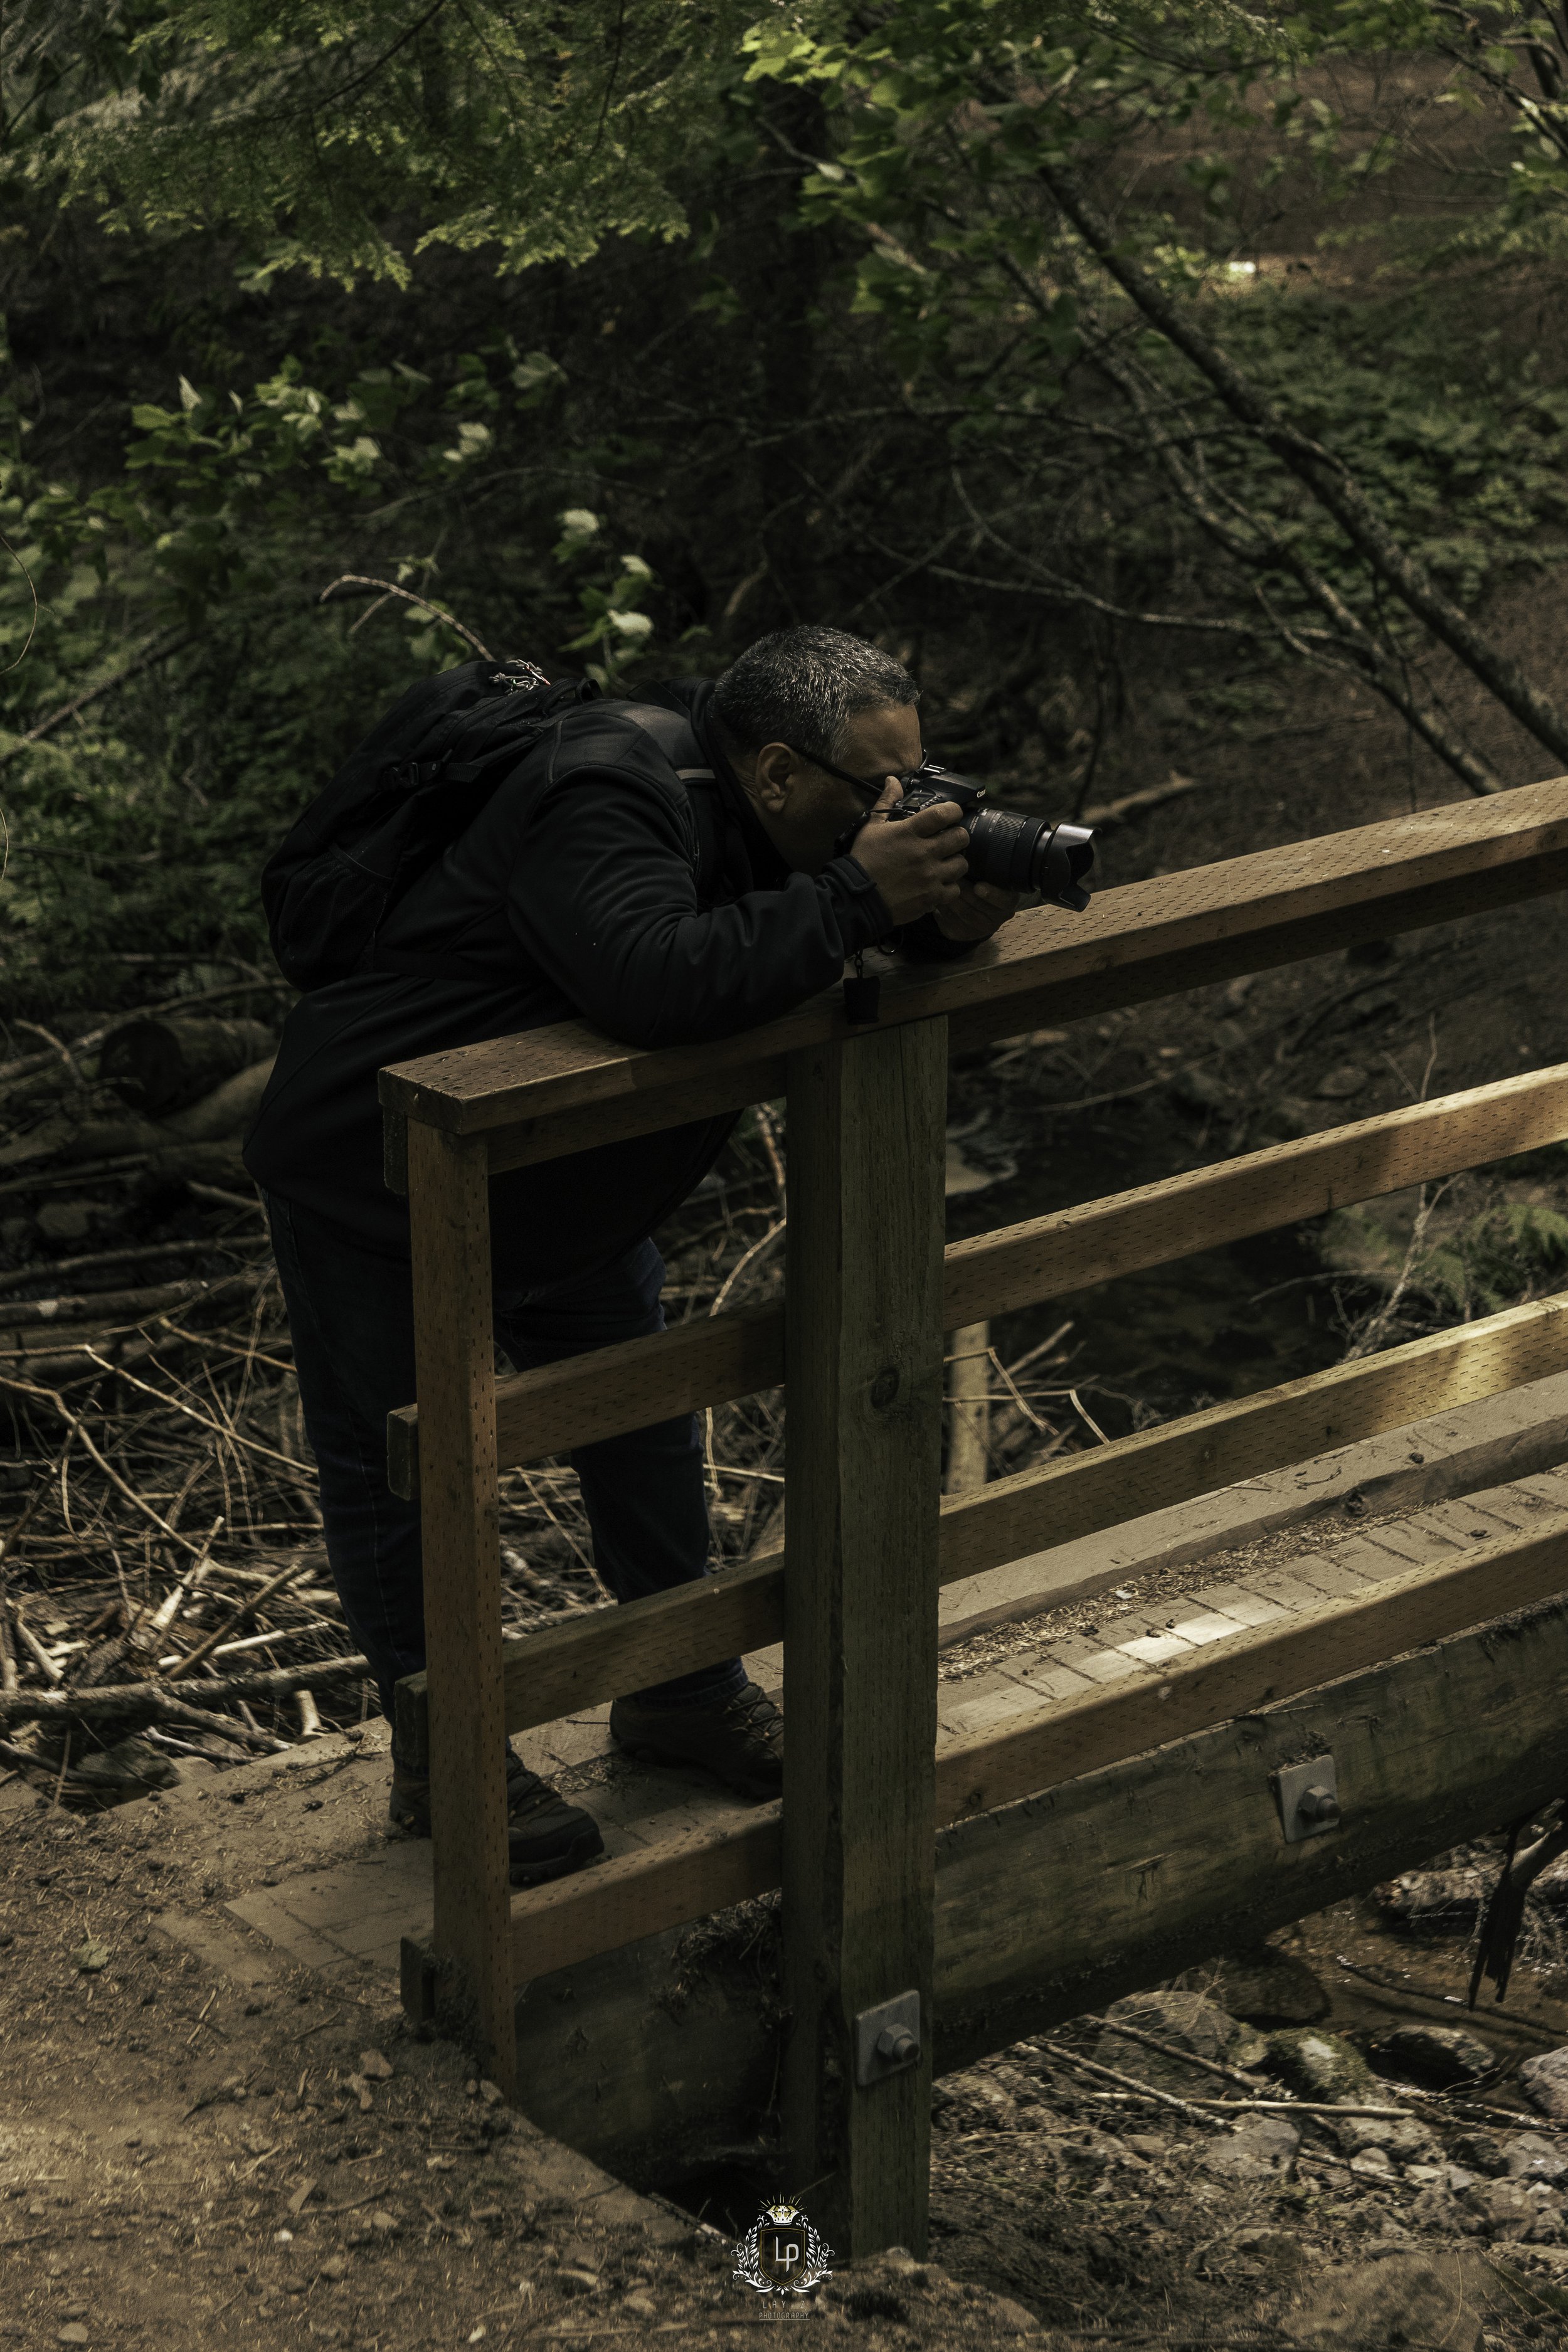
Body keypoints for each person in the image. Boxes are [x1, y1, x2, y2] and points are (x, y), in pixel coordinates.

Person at [245, 625, 1018, 1884]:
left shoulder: (774, 823)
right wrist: (866, 893)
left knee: (640, 1432)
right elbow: (654, 976)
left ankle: (681, 1695)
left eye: (912, 783)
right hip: (377, 1176)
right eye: (870, 789)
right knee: (407, 1477)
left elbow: (817, 918)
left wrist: (948, 912)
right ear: (773, 771)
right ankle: (450, 1760)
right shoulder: (605, 786)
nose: (897, 806)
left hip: (569, 1186)